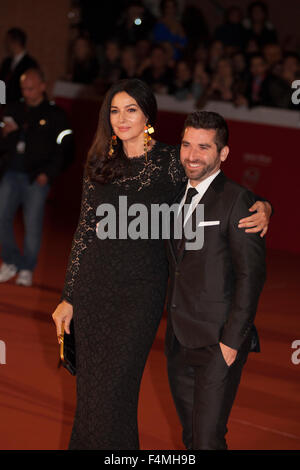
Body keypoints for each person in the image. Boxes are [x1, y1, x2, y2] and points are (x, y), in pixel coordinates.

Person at [51, 78, 271, 450]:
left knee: (115, 393)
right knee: (89, 397)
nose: (121, 119)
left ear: (147, 114)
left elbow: (217, 187)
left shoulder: (171, 161)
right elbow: (84, 232)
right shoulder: (101, 163)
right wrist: (69, 296)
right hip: (93, 292)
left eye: (131, 109)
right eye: (115, 111)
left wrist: (264, 206)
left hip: (140, 296)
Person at [165, 110, 267, 450]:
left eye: (204, 147)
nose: (192, 155)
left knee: (208, 439)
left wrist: (230, 344)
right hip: (178, 339)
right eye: (186, 145)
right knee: (192, 436)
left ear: (223, 153)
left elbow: (250, 276)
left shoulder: (238, 200)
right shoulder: (172, 191)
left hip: (218, 343)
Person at [0, 68, 74, 286]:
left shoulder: (55, 115)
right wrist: (8, 133)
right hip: (11, 173)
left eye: (31, 88)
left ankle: (27, 268)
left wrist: (49, 174)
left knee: (32, 225)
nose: (27, 92)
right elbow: (3, 144)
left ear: (43, 86)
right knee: (1, 218)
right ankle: (11, 261)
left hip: (37, 178)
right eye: (24, 88)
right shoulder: (13, 109)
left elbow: (65, 151)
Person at [0, 28, 38, 103]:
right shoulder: (7, 62)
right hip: (5, 104)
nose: (6, 44)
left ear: (15, 42)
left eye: (7, 41)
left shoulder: (29, 63)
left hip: (20, 105)